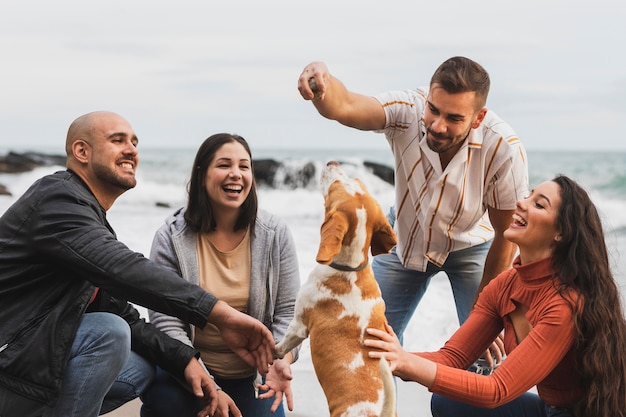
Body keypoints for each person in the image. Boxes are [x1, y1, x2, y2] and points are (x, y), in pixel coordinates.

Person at [0, 111, 276, 417]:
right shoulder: (57, 201)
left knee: (140, 366)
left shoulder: (90, 220)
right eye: (117, 140)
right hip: (8, 356)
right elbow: (124, 269)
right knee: (109, 332)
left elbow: (128, 316)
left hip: (26, 355)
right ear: (82, 152)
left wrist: (187, 361)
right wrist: (220, 314)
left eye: (134, 142)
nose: (132, 150)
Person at [298, 57, 529, 367]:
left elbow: (508, 235)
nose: (437, 125)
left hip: (475, 247)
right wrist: (323, 86)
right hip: (407, 237)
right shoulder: (407, 110)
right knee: (370, 341)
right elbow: (347, 105)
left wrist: (484, 315)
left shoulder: (503, 148)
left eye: (454, 118)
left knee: (486, 352)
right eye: (434, 109)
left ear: (478, 118)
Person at [365, 175, 626, 417]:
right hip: (548, 410)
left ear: (561, 233)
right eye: (528, 195)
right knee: (448, 401)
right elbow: (451, 359)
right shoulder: (505, 286)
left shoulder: (565, 304)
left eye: (539, 205)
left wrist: (406, 363)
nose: (520, 203)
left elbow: (497, 390)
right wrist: (391, 356)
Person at [140, 133, 300, 417]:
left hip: (252, 377)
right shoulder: (170, 237)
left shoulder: (275, 234)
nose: (236, 174)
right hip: (189, 370)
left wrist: (279, 359)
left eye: (244, 166)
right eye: (224, 165)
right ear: (202, 175)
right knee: (166, 403)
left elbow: (289, 312)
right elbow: (165, 318)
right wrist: (204, 378)